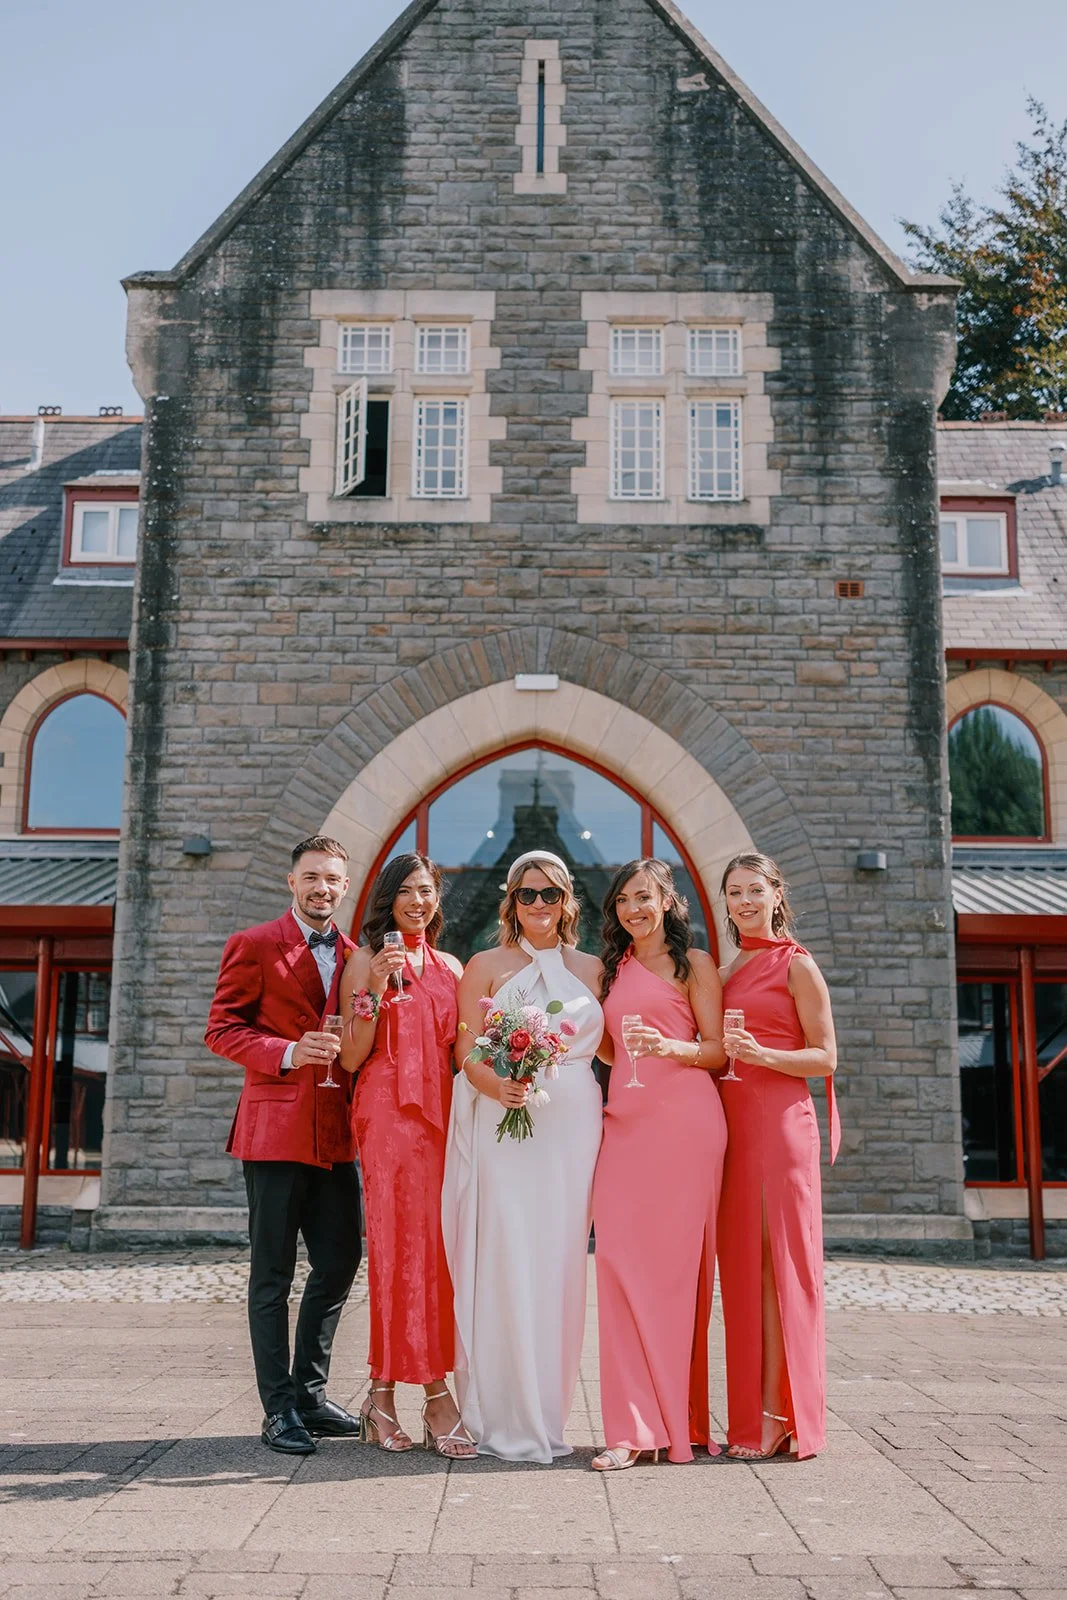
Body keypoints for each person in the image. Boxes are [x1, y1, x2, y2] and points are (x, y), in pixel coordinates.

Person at [442, 851, 604, 1462]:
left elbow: (613, 1046)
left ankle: (547, 1409)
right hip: (504, 1124)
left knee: (560, 1259)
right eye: (528, 895)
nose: (540, 905)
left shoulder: (594, 969)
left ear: (568, 901)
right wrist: (497, 1086)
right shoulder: (484, 965)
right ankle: (494, 1410)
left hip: (573, 1127)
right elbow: (466, 1053)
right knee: (504, 1250)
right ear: (511, 902)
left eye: (551, 894)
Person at [204, 835, 364, 1456]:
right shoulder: (255, 944)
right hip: (273, 1131)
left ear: (345, 887)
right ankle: (277, 1409)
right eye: (312, 878)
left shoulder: (358, 956)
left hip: (337, 1133)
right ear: (291, 882)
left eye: (333, 879)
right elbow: (222, 1030)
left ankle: (309, 1393)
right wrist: (289, 1052)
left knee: (341, 1260)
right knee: (271, 1273)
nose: (323, 888)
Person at [590, 858, 728, 1469]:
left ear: (667, 901)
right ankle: (629, 1427)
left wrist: (673, 1046)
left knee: (675, 1279)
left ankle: (673, 1424)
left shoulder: (693, 964)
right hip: (623, 1128)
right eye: (623, 900)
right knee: (617, 1266)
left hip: (687, 1128)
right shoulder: (609, 971)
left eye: (643, 897)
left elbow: (719, 1050)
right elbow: (604, 1045)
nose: (633, 909)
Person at [338, 852, 474, 1458]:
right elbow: (349, 1055)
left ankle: (398, 1396)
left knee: (438, 1252)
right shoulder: (364, 961)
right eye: (407, 892)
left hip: (444, 1118)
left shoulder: (451, 965)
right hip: (388, 1114)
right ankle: (407, 1393)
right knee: (397, 1252)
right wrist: (370, 989)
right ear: (388, 900)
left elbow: (464, 1051)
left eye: (427, 892)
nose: (418, 902)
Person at [717, 851, 839, 1461]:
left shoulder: (797, 965)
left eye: (754, 890)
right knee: (743, 1273)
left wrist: (762, 1055)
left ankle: (780, 1415)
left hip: (781, 1126)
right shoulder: (727, 966)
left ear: (775, 894)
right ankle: (753, 1414)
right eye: (734, 891)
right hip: (734, 1132)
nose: (744, 901)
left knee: (779, 1271)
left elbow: (825, 1058)